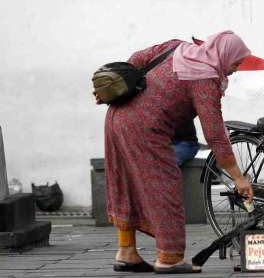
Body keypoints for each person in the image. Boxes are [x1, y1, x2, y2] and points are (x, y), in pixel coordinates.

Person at [101, 31, 254, 274]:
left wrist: (141, 89)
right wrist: (238, 177)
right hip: (145, 128)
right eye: (236, 61)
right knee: (165, 187)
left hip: (117, 115)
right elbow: (214, 134)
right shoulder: (204, 78)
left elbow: (136, 59)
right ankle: (169, 258)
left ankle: (127, 252)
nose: (235, 68)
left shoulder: (176, 48)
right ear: (223, 55)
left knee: (126, 183)